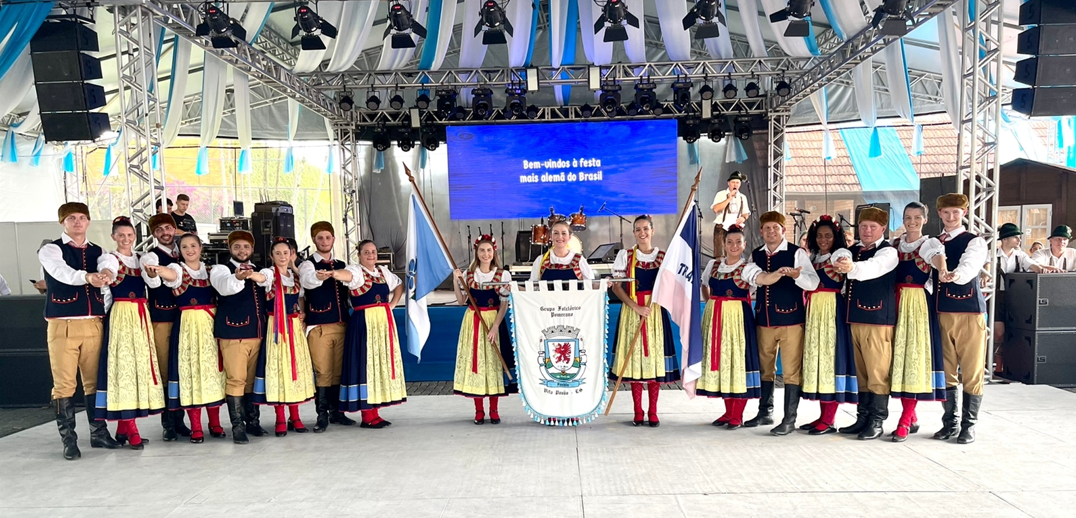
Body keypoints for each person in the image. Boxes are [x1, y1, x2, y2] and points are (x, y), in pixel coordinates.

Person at [39, 202, 121, 460]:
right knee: (64, 384)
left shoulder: (99, 251)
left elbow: (110, 263)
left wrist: (106, 272)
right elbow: (61, 272)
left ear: (88, 222)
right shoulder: (51, 249)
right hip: (63, 324)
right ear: (63, 222)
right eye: (71, 218)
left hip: (93, 323)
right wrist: (88, 277)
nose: (77, 222)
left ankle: (99, 433)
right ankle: (69, 440)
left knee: (94, 382)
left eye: (82, 217)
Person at [742, 211, 820, 435]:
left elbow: (813, 283)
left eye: (775, 228)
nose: (771, 232)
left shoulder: (796, 253)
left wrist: (797, 276)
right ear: (761, 231)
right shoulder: (756, 254)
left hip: (791, 320)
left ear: (783, 230)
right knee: (765, 368)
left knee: (791, 371)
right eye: (767, 228)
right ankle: (765, 412)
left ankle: (789, 419)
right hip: (764, 320)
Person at [93, 217, 166, 450]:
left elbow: (154, 285)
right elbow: (108, 272)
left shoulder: (142, 258)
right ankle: (131, 429)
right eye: (121, 235)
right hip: (122, 315)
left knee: (138, 369)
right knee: (124, 369)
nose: (126, 239)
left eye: (130, 235)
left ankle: (123, 429)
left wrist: (152, 273)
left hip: (141, 315)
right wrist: (106, 274)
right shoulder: (110, 259)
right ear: (113, 236)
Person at [923, 194, 989, 445]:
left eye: (956, 212)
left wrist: (954, 275)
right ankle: (950, 423)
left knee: (972, 371)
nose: (951, 217)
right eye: (946, 212)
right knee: (946, 370)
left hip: (970, 313)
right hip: (941, 313)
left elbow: (969, 266)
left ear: (964, 213)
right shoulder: (933, 242)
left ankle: (968, 426)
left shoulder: (974, 241)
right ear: (939, 213)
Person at [149, 234, 227, 443]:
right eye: (184, 247)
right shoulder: (178, 269)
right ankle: (196, 426)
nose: (190, 250)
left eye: (193, 245)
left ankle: (215, 422)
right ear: (179, 250)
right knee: (191, 373)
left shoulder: (211, 270)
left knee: (212, 372)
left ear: (201, 247)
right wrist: (158, 270)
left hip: (210, 325)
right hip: (188, 327)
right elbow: (171, 275)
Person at [830, 206, 898, 441]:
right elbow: (841, 256)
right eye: (863, 226)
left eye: (872, 227)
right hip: (855, 319)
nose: (867, 230)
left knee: (877, 372)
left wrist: (851, 268)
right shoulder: (854, 250)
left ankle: (877, 421)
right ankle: (863, 417)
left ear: (883, 228)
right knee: (861, 373)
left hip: (878, 320)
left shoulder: (888, 252)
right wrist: (843, 260)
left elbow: (873, 268)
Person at [608, 216, 680, 427]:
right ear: (634, 232)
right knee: (634, 362)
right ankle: (638, 411)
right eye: (638, 229)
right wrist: (636, 307)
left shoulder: (663, 257)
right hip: (632, 311)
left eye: (646, 229)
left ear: (652, 231)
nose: (642, 233)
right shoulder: (625, 256)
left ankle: (653, 411)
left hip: (654, 313)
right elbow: (617, 287)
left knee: (654, 362)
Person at [887, 202, 946, 442]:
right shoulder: (894, 244)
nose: (912, 222)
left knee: (912, 358)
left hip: (916, 305)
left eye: (917, 217)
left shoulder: (929, 244)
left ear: (925, 220)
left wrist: (943, 270)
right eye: (908, 217)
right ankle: (911, 417)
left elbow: (938, 258)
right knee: (896, 360)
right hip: (893, 302)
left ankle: (904, 419)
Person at [210, 230, 271, 444]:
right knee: (236, 379)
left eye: (246, 247)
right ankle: (237, 426)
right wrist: (238, 277)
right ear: (230, 249)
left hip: (256, 333)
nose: (242, 250)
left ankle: (252, 421)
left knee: (251, 381)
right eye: (237, 247)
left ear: (252, 249)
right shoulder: (221, 269)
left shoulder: (259, 270)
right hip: (233, 333)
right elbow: (224, 287)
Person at [336, 240, 407, 427]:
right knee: (366, 364)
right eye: (366, 252)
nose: (370, 255)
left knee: (378, 364)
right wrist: (334, 273)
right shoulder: (356, 271)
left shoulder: (383, 272)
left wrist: (392, 304)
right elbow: (346, 276)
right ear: (359, 254)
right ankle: (367, 415)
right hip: (364, 323)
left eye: (373, 252)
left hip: (382, 322)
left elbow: (399, 285)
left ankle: (375, 412)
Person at [799, 216, 858, 436]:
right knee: (818, 359)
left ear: (836, 237)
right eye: (819, 236)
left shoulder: (838, 254)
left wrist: (844, 261)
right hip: (814, 310)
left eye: (828, 236)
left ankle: (829, 419)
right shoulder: (813, 257)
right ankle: (823, 415)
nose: (823, 239)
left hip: (831, 309)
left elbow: (844, 259)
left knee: (830, 359)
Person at [698, 225, 760, 429]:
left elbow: (758, 283)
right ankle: (728, 412)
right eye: (730, 242)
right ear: (724, 244)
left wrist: (778, 274)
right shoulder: (714, 265)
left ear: (744, 244)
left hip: (738, 320)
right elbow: (704, 284)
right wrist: (710, 302)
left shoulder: (749, 268)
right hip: (716, 318)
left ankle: (737, 414)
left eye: (738, 242)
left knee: (737, 363)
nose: (734, 246)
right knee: (724, 362)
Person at [252, 238, 315, 436]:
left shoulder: (296, 277)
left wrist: (302, 314)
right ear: (271, 256)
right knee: (279, 370)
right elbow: (261, 278)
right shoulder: (270, 274)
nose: (282, 256)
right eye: (277, 253)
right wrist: (250, 274)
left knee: (294, 369)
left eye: (285, 253)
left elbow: (301, 298)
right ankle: (280, 417)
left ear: (291, 255)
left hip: (294, 327)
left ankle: (295, 417)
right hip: (276, 328)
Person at [297, 221, 356, 432]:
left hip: (341, 324)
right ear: (314, 240)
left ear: (333, 239)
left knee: (338, 372)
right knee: (323, 371)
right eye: (320, 237)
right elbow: (307, 281)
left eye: (328, 237)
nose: (324, 241)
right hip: (319, 326)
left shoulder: (341, 264)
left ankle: (336, 412)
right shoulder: (308, 264)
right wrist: (318, 277)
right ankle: (321, 416)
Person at [451, 235, 516, 425]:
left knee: (494, 363)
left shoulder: (502, 275)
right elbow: (461, 301)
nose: (485, 254)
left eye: (489, 250)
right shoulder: (469, 274)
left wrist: (495, 326)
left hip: (493, 320)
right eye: (482, 250)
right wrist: (456, 281)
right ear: (476, 253)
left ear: (494, 252)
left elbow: (504, 304)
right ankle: (479, 410)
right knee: (477, 364)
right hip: (473, 322)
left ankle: (494, 410)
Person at [139, 213, 191, 440]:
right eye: (159, 230)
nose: (165, 233)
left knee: (182, 369)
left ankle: (180, 420)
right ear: (154, 234)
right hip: (163, 318)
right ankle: (168, 423)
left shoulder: (184, 252)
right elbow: (152, 283)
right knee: (165, 370)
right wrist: (154, 274)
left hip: (185, 318)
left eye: (168, 228)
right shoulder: (150, 256)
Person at [993, 223, 1055, 346]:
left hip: (1016, 298)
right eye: (1015, 237)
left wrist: (1041, 270)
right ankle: (996, 355)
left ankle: (1006, 356)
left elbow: (1032, 264)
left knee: (1016, 332)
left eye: (1019, 237)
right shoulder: (992, 254)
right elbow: (986, 267)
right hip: (997, 297)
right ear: (1005, 239)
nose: (1019, 240)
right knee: (999, 332)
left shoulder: (1020, 255)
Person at [528, 220, 596, 282]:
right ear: (551, 236)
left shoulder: (580, 260)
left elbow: (591, 285)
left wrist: (602, 284)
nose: (560, 237)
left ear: (569, 236)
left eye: (563, 233)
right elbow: (532, 287)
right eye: (556, 233)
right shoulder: (541, 260)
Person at [710, 171, 750, 259]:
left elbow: (746, 213)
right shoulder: (721, 194)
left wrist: (743, 218)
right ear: (728, 183)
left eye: (737, 182)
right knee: (720, 255)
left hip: (736, 228)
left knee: (735, 254)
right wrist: (728, 199)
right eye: (733, 182)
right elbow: (716, 209)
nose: (735, 185)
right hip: (722, 228)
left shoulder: (742, 197)